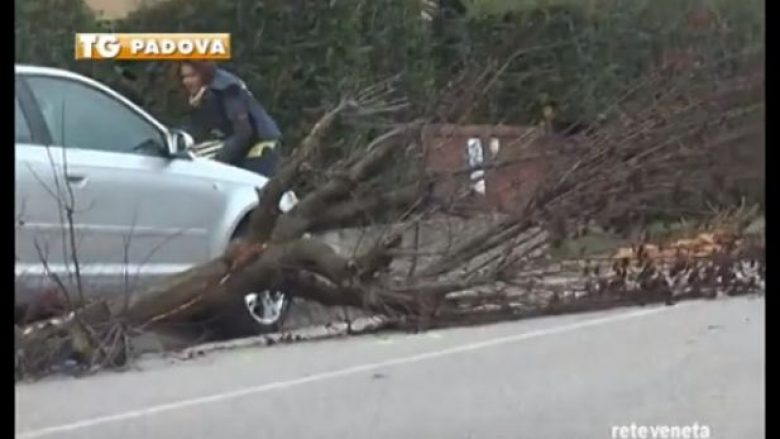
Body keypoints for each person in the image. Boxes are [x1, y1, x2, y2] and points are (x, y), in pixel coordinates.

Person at [178, 61, 282, 177]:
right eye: (184, 77)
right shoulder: (203, 95)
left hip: (260, 148)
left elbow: (244, 132)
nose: (187, 82)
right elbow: (199, 128)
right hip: (243, 147)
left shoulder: (226, 89)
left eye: (192, 76)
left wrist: (219, 159)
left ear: (204, 74)